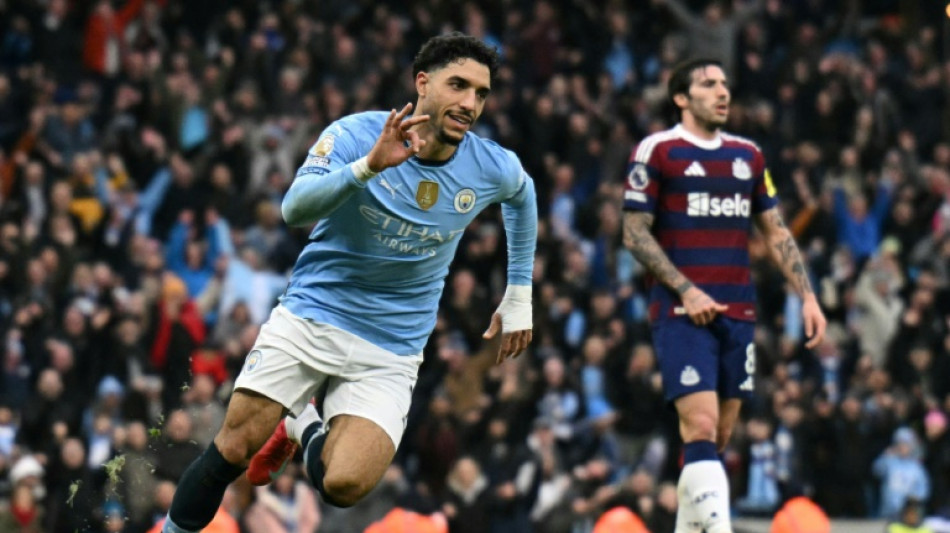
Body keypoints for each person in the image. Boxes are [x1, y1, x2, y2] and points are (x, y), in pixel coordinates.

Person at [160, 32, 537, 533]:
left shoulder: (489, 165)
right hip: (314, 313)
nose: (471, 103)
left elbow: (523, 195)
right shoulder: (357, 135)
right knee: (233, 449)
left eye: (481, 93)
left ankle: (302, 424)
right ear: (423, 83)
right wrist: (368, 168)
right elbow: (294, 209)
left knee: (344, 485)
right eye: (459, 85)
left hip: (392, 344)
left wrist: (518, 293)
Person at [620, 58, 826, 533]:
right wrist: (686, 290)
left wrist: (808, 296)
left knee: (715, 440)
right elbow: (633, 233)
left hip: (738, 311)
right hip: (681, 311)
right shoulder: (657, 150)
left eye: (724, 84)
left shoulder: (748, 156)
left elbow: (775, 232)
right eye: (708, 84)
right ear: (681, 97)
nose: (722, 92)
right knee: (700, 425)